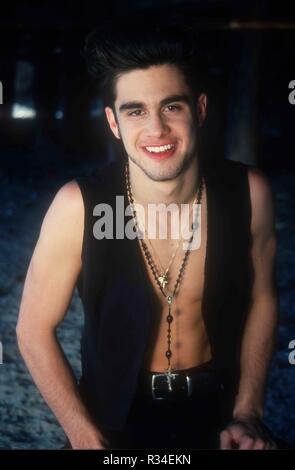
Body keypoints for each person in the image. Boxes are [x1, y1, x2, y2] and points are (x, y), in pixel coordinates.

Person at [16, 21, 280, 450]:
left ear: (200, 109)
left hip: (218, 413)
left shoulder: (250, 193)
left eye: (171, 107)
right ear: (114, 123)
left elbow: (263, 298)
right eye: (135, 110)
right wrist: (82, 433)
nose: (156, 128)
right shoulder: (77, 206)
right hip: (111, 418)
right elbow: (32, 328)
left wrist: (249, 412)